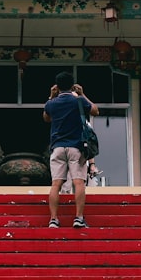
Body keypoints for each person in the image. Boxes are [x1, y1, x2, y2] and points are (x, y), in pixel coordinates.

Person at [43, 72, 98, 229]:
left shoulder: (52, 103)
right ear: (73, 85)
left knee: (56, 184)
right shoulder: (78, 101)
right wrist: (82, 94)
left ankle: (53, 219)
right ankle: (78, 218)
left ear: (57, 86)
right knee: (79, 182)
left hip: (57, 147)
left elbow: (46, 118)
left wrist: (51, 96)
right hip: (76, 146)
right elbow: (95, 110)